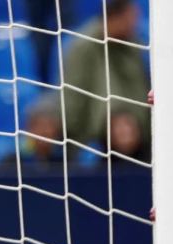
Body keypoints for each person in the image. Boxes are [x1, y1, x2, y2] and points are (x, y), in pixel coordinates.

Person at [30, 0, 150, 163]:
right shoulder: (82, 48)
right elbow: (73, 101)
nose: (134, 25)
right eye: (130, 20)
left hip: (135, 137)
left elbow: (140, 89)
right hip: (92, 141)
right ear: (113, 18)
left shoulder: (133, 46)